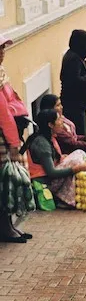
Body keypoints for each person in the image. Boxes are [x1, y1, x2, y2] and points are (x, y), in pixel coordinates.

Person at [0, 34, 31, 243]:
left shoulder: (2, 74)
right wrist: (13, 142)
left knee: (9, 181)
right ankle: (6, 228)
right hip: (3, 138)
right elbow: (3, 113)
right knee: (6, 182)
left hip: (8, 135)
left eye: (3, 48)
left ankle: (9, 225)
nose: (2, 53)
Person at [25, 110, 86, 207]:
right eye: (59, 120)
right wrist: (76, 169)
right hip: (44, 184)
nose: (62, 122)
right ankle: (65, 199)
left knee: (78, 154)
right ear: (50, 125)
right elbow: (51, 173)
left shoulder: (49, 137)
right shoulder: (42, 143)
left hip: (49, 179)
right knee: (75, 161)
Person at [40, 94, 86, 161]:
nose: (61, 107)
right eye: (58, 105)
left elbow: (73, 137)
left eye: (60, 104)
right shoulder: (56, 127)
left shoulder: (61, 119)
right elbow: (72, 144)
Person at [60, 30, 86, 136]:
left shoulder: (74, 56)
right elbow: (75, 80)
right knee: (79, 133)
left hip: (77, 103)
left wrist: (85, 65)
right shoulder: (73, 58)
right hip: (74, 104)